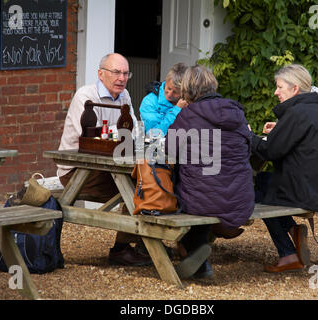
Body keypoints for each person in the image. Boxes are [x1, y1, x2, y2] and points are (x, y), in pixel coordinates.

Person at [57, 53, 151, 267]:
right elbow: (98, 140)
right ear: (101, 74)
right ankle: (122, 249)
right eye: (116, 72)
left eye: (126, 73)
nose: (122, 78)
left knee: (151, 179)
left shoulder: (124, 96)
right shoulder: (86, 97)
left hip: (110, 167)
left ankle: (146, 244)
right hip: (78, 171)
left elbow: (133, 130)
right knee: (139, 184)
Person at [251, 64, 318, 273]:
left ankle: (287, 254)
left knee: (256, 193)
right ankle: (292, 229)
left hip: (307, 192)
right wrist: (281, 128)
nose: (276, 92)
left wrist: (246, 134)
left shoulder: (296, 113)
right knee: (265, 179)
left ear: (294, 89)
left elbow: (269, 151)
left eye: (280, 87)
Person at [165, 65, 255, 279]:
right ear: (212, 85)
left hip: (202, 201)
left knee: (184, 187)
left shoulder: (188, 116)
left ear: (187, 90)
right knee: (203, 184)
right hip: (240, 200)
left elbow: (168, 150)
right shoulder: (236, 113)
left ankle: (197, 257)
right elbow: (249, 148)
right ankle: (195, 255)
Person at [139, 62, 188, 135]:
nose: (170, 94)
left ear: (183, 91)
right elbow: (153, 134)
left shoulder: (188, 100)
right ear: (166, 81)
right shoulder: (149, 101)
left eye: (175, 92)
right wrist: (177, 110)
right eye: (168, 88)